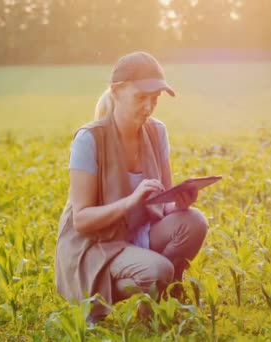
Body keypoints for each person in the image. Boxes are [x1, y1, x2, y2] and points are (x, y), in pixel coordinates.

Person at [54, 51, 209, 324]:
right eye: (141, 98)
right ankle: (97, 296)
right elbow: (81, 220)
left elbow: (163, 202)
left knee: (193, 221)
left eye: (155, 100)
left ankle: (161, 303)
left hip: (137, 233)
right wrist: (130, 201)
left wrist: (177, 204)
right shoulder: (89, 139)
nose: (148, 107)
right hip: (96, 244)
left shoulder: (156, 132)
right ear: (116, 92)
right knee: (158, 270)